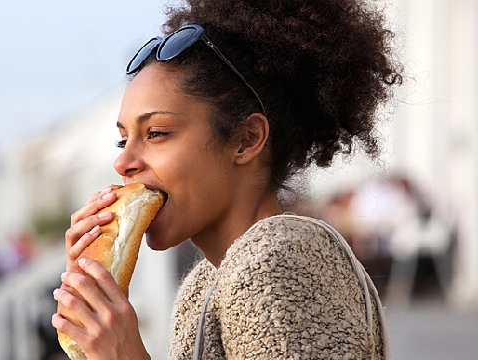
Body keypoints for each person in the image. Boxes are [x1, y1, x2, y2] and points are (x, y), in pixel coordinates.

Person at [51, 0, 402, 358]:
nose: (123, 161)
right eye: (123, 139)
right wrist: (90, 326)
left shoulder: (274, 261)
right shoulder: (205, 285)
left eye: (155, 132)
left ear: (246, 139)